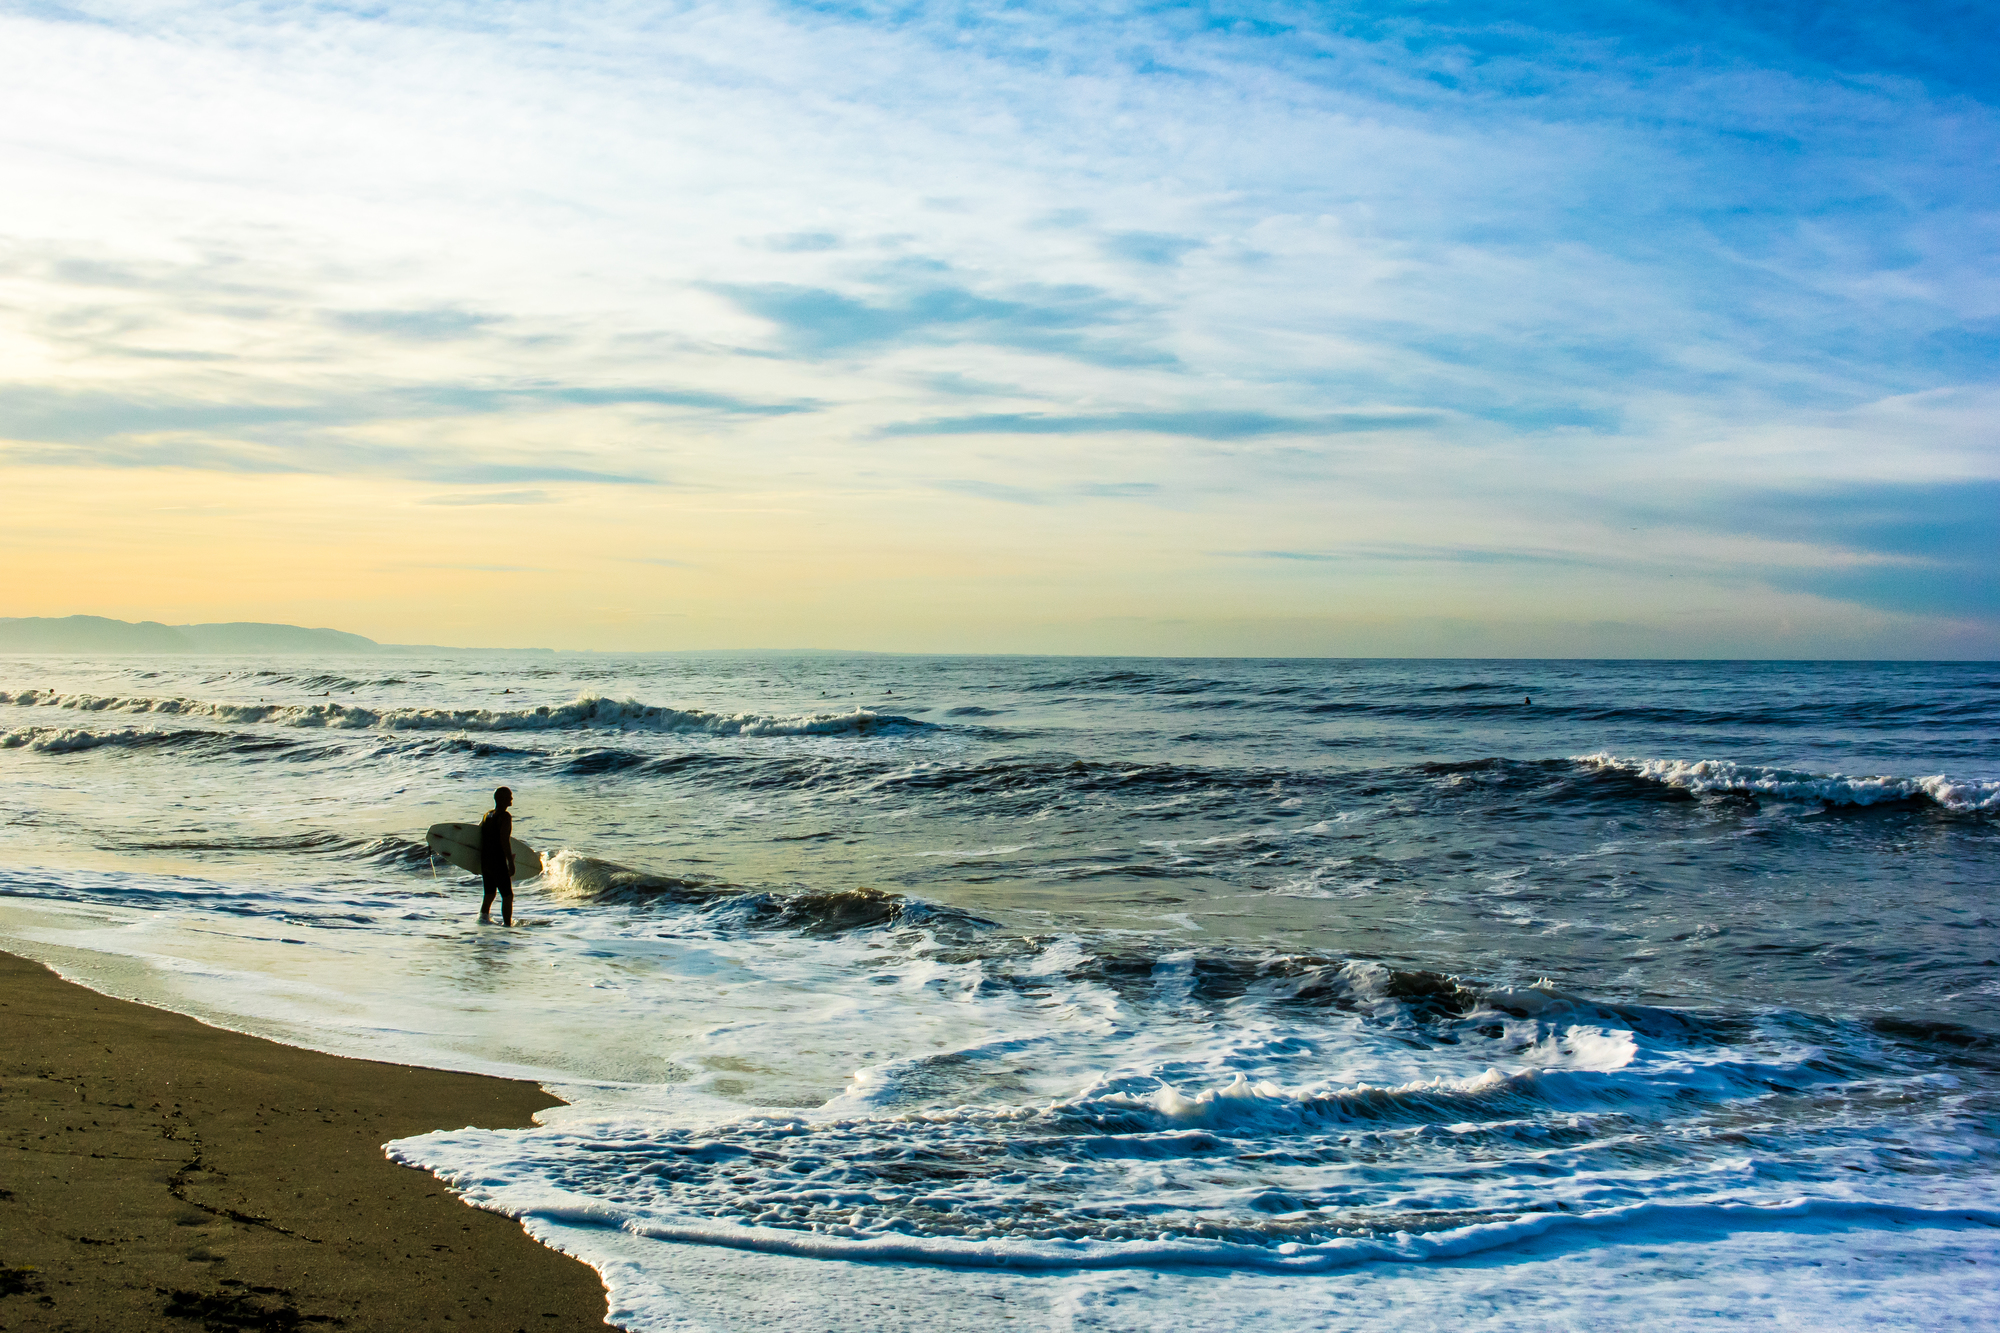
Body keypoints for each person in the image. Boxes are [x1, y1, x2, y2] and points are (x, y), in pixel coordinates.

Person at [479, 786, 516, 926]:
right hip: (497, 861)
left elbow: (479, 835)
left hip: (486, 861)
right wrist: (510, 862)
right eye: (509, 796)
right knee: (507, 895)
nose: (511, 798)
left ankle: (482, 921)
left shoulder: (487, 815)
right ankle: (507, 926)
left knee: (489, 894)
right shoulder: (505, 816)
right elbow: (504, 839)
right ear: (502, 799)